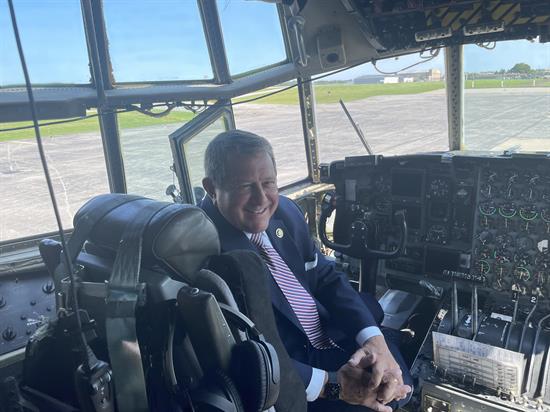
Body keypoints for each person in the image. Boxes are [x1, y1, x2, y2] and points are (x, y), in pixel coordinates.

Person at [200, 129, 412, 411]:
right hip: (290, 368)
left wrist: (375, 342)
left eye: (268, 183)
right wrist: (332, 386)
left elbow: (326, 278)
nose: (261, 199)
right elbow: (237, 352)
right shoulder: (205, 251)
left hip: (331, 333)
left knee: (399, 384)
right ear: (212, 188)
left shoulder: (286, 212)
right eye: (245, 186)